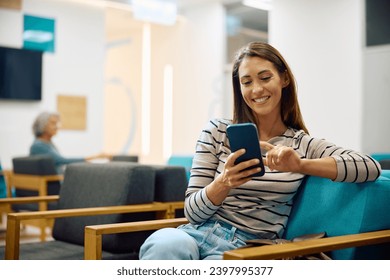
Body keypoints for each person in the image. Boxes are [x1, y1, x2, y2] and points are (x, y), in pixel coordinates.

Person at [139, 42, 381, 260]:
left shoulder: (301, 144)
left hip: (248, 248)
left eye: (265, 78)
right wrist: (224, 183)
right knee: (164, 245)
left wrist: (299, 165)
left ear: (284, 79)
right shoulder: (217, 131)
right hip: (195, 234)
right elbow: (192, 212)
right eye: (247, 82)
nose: (256, 90)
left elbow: (369, 167)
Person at [30, 111, 111, 173]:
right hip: (54, 184)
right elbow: (61, 160)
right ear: (42, 125)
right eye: (53, 123)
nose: (56, 127)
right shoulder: (38, 145)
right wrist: (95, 157)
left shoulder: (48, 143)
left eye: (57, 123)